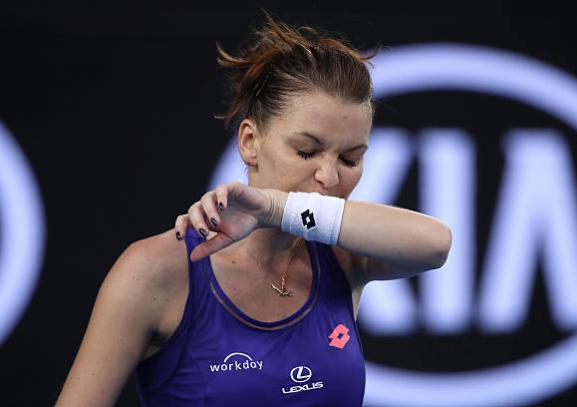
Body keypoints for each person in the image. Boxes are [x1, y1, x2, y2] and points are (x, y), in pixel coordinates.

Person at [57, 12, 452, 406]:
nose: (330, 178)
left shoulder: (342, 255)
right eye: (306, 151)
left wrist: (276, 207)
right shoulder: (155, 269)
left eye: (350, 159)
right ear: (250, 142)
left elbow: (436, 244)